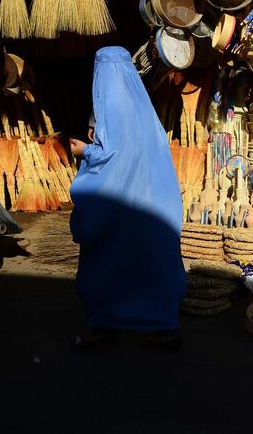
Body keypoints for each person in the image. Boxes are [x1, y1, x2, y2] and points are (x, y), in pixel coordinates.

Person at [68, 46, 186, 352]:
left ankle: (103, 329)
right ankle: (163, 329)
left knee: (108, 264)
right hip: (155, 207)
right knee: (153, 266)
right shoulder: (145, 114)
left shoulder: (110, 107)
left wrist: (84, 152)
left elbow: (113, 160)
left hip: (120, 211)